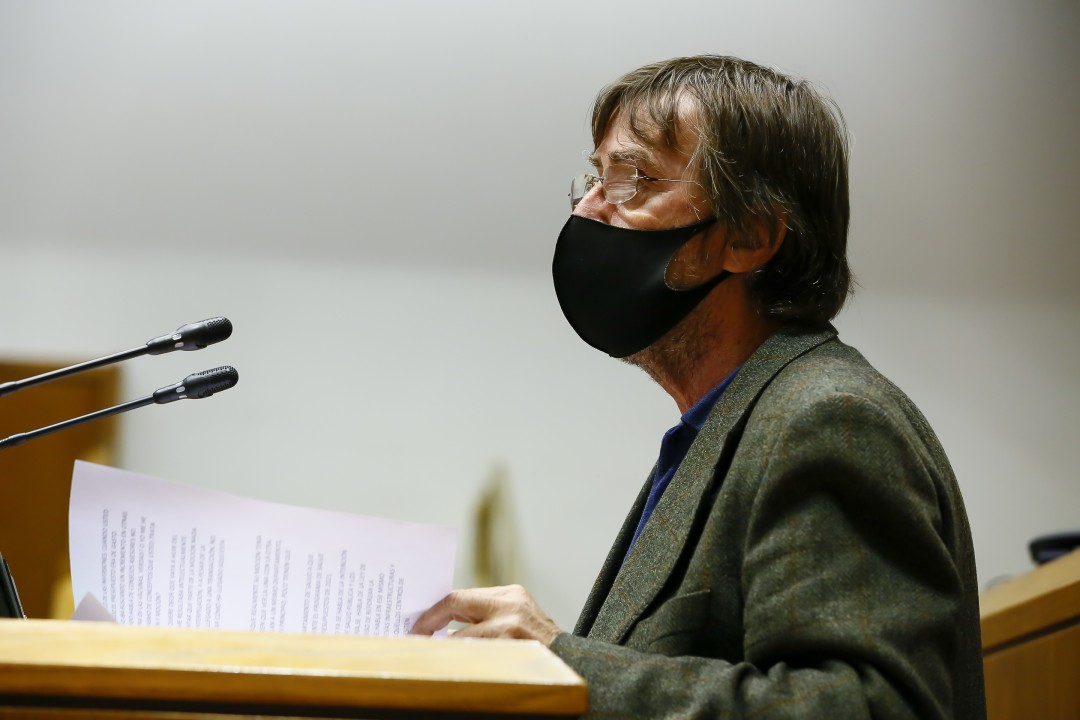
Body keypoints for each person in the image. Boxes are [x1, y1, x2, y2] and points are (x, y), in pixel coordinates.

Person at [413, 55, 986, 719]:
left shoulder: (827, 417)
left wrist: (561, 665)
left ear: (750, 237)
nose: (590, 208)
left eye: (632, 179)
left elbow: (867, 708)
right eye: (595, 178)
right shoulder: (722, 430)